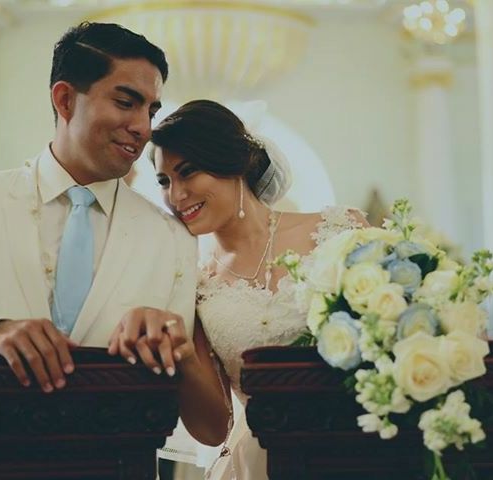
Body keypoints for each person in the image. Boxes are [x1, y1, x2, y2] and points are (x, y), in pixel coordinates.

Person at [0, 22, 228, 446]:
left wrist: (173, 343)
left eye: (150, 110)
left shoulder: (172, 237)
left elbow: (206, 426)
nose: (143, 127)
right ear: (64, 99)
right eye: (126, 102)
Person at [148, 99, 370, 479]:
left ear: (235, 163)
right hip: (260, 463)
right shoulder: (194, 284)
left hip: (358, 448)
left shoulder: (340, 230)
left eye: (188, 172)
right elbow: (213, 428)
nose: (176, 195)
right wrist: (181, 356)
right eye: (165, 181)